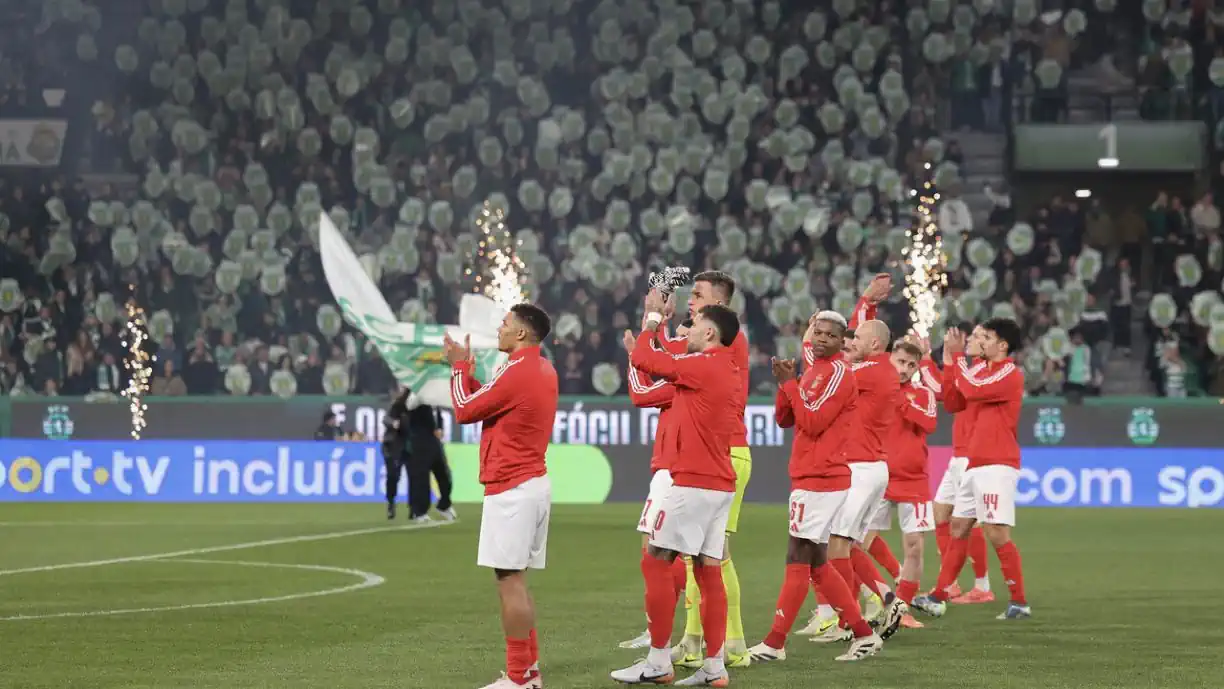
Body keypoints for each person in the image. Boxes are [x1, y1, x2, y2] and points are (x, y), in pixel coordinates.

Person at [610, 300, 742, 687]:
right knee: (707, 570)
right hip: (718, 483)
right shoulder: (722, 370)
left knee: (655, 560)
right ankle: (714, 668)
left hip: (694, 481)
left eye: (696, 324)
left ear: (710, 333)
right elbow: (654, 367)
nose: (691, 330)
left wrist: (652, 318)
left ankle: (657, 660)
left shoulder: (704, 366)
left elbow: (649, 361)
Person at [746, 310, 883, 664]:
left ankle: (775, 643)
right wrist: (785, 385)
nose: (821, 338)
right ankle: (864, 635)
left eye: (830, 335)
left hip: (823, 477)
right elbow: (786, 418)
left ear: (842, 342)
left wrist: (791, 385)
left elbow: (815, 421)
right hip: (809, 474)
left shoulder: (839, 373)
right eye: (817, 332)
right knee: (818, 563)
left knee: (798, 557)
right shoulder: (813, 372)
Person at [444, 303, 558, 689]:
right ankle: (530, 671)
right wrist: (472, 377)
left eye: (507, 322)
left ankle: (518, 678)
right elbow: (491, 404)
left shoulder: (519, 371)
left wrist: (459, 367)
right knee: (516, 582)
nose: (501, 326)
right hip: (530, 483)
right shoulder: (539, 368)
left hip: (512, 486)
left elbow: (463, 410)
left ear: (523, 333)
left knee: (509, 582)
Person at [653, 271, 752, 669]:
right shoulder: (717, 344)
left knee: (715, 557)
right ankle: (695, 640)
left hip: (724, 451)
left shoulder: (726, 345)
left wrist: (655, 322)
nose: (690, 301)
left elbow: (661, 365)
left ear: (719, 308)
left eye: (697, 296)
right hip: (721, 450)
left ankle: (735, 644)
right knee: (699, 557)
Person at [913, 318, 1030, 621]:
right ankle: (939, 596)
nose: (980, 341)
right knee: (958, 527)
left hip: (997, 463)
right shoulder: (978, 369)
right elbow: (953, 401)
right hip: (975, 462)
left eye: (986, 337)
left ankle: (1018, 601)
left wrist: (958, 359)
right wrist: (951, 364)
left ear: (1002, 345)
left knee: (996, 533)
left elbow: (973, 389)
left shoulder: (1009, 374)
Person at [814, 319, 905, 643]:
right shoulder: (882, 371)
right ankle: (879, 602)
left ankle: (860, 616)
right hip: (872, 466)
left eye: (859, 338)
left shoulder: (869, 372)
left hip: (860, 467)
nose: (852, 342)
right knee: (846, 545)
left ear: (876, 344)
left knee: (834, 545)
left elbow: (828, 381)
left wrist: (815, 346)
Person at [618, 322, 689, 651]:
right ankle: (684, 631)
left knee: (656, 551)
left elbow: (639, 394)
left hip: (672, 469)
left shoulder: (682, 379)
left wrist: (634, 354)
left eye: (681, 335)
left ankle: (661, 633)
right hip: (676, 468)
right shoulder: (694, 372)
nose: (674, 341)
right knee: (678, 553)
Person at [865, 339, 938, 630]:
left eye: (911, 365)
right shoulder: (873, 390)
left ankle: (902, 609)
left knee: (915, 547)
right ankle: (883, 598)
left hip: (913, 481)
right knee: (859, 542)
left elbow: (929, 423)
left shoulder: (922, 394)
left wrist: (901, 401)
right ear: (889, 359)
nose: (905, 369)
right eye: (900, 362)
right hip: (878, 475)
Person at [921, 324, 994, 607]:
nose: (970, 340)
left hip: (971, 454)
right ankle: (949, 584)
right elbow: (947, 391)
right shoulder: (973, 369)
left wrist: (939, 359)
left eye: (977, 337)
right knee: (940, 513)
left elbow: (943, 389)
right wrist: (939, 359)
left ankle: (982, 586)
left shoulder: (982, 372)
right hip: (958, 454)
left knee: (965, 520)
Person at [401, 389, 456, 523]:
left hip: (433, 440)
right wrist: (420, 391)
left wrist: (440, 428)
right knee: (421, 478)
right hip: (419, 441)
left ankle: (444, 504)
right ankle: (420, 512)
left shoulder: (433, 396)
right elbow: (409, 405)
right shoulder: (416, 393)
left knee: (444, 474)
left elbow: (437, 415)